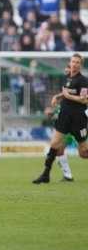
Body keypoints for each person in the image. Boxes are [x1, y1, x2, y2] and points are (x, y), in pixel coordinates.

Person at [33, 54, 88, 184]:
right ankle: (46, 174)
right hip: (64, 116)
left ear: (80, 65)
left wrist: (68, 96)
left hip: (78, 118)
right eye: (73, 61)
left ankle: (65, 175)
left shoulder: (83, 81)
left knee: (83, 153)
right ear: (70, 62)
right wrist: (58, 97)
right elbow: (67, 92)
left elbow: (84, 99)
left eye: (77, 62)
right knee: (54, 145)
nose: (74, 64)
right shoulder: (67, 78)